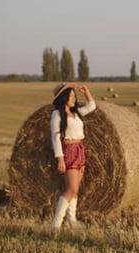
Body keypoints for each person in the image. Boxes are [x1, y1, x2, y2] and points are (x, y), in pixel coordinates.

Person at [50, 82, 96, 229]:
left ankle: (72, 219)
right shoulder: (57, 115)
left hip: (80, 150)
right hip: (69, 150)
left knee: (76, 189)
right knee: (71, 190)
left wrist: (86, 91)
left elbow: (92, 106)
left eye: (74, 96)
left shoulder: (76, 113)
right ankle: (55, 225)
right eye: (70, 96)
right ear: (63, 98)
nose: (74, 99)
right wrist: (60, 160)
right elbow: (55, 137)